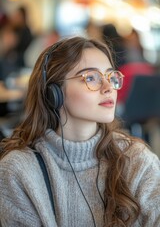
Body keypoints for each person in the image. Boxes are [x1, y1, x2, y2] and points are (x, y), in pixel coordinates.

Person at [0, 36, 160, 227]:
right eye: (91, 78)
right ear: (54, 93)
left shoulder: (136, 160)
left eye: (111, 76)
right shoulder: (18, 171)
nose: (109, 88)